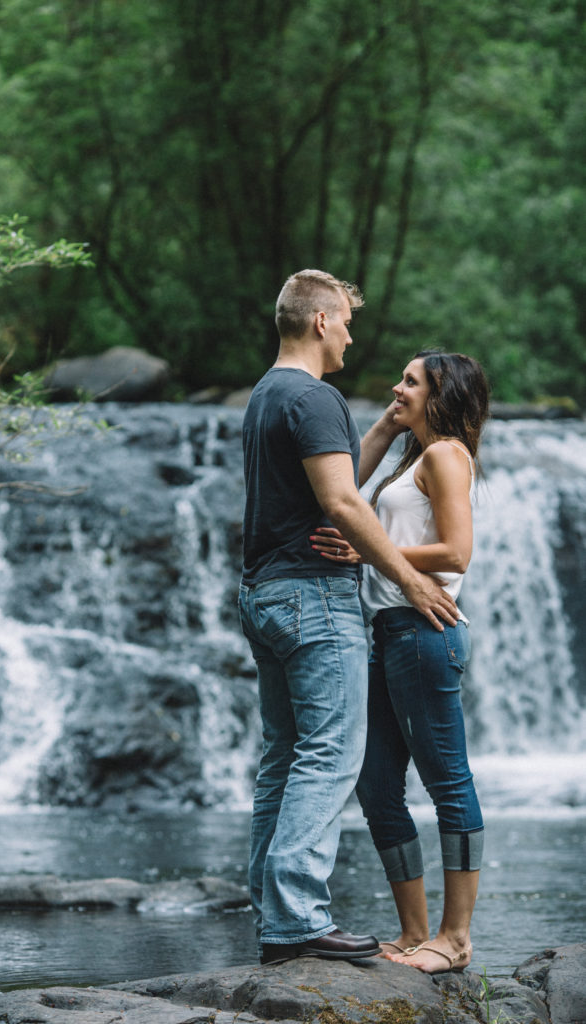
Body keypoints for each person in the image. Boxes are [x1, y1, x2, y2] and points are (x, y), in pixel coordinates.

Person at [238, 271, 459, 967]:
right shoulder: (315, 395)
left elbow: (327, 484)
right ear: (323, 322)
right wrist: (405, 578)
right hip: (313, 599)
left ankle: (273, 913)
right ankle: (299, 915)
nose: (352, 338)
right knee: (328, 755)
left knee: (281, 759)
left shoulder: (267, 395)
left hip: (265, 596)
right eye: (347, 324)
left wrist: (383, 427)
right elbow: (340, 503)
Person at [310, 350, 489, 975]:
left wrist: (368, 551)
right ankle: (415, 932)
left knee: (448, 784)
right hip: (389, 632)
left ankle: (455, 938)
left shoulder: (444, 455)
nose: (397, 386)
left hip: (424, 632)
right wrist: (385, 427)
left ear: (440, 393)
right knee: (378, 786)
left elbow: (457, 552)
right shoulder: (415, 455)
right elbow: (343, 492)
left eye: (410, 381)